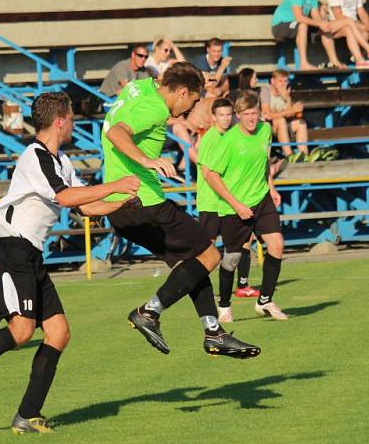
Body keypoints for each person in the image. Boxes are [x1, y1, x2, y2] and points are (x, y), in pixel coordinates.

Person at [0, 92, 140, 433]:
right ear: (59, 121)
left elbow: (83, 207)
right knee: (22, 330)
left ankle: (27, 414)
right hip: (14, 250)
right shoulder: (35, 155)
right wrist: (115, 185)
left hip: (30, 253)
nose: (72, 124)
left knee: (58, 332)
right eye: (70, 118)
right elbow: (65, 197)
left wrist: (121, 204)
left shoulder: (61, 161)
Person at [102, 63, 261, 358]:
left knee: (191, 263)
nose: (193, 106)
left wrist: (204, 77)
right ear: (183, 92)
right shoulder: (155, 108)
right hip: (143, 202)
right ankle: (148, 312)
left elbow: (166, 77)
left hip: (120, 205)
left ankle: (214, 333)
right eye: (195, 100)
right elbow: (117, 133)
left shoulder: (140, 86)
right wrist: (147, 161)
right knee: (210, 254)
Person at [204, 92, 287, 321]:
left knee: (277, 245)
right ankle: (224, 305)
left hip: (261, 200)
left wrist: (271, 187)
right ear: (238, 115)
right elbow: (211, 175)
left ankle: (265, 300)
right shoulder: (228, 141)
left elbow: (264, 163)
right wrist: (236, 204)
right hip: (234, 207)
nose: (252, 119)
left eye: (255, 113)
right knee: (231, 259)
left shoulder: (265, 130)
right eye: (247, 114)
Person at [271, 0, 338, 70]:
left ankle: (334, 61)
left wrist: (323, 25)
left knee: (323, 27)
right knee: (302, 25)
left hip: (295, 25)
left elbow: (315, 16)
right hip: (280, 26)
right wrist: (320, 24)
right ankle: (304, 64)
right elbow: (299, 17)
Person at [260, 69, 309, 161]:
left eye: (285, 81)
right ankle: (289, 155)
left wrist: (287, 98)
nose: (283, 84)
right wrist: (291, 110)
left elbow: (290, 115)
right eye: (280, 81)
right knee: (280, 120)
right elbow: (267, 115)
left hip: (282, 127)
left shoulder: (285, 93)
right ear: (272, 81)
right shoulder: (265, 91)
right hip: (267, 127)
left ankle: (304, 155)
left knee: (300, 123)